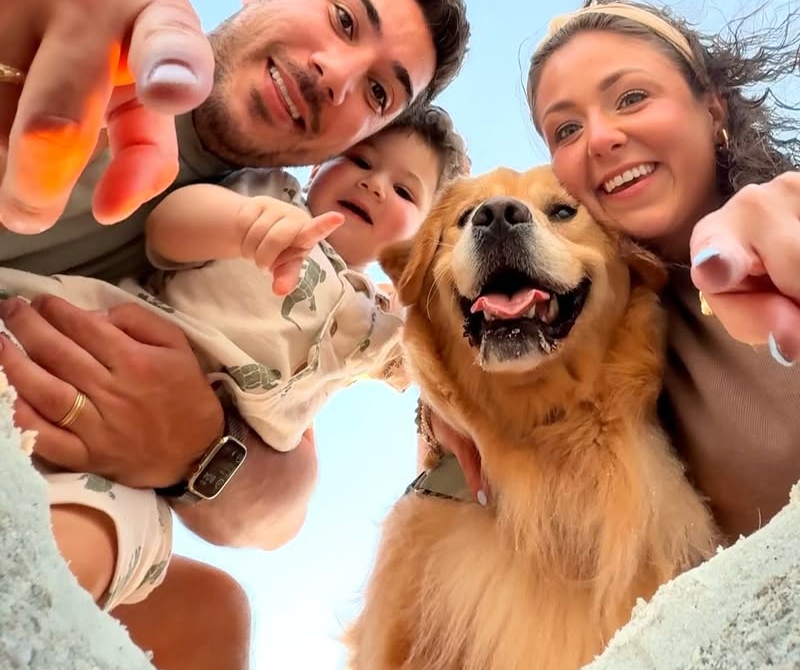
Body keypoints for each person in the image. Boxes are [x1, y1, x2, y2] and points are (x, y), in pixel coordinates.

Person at [0, 0, 470, 670]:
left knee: (207, 624)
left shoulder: (272, 252)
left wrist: (199, 447)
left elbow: (281, 496)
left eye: (376, 94)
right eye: (342, 20)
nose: (338, 74)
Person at [434, 0, 800, 546]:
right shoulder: (616, 334)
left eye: (631, 97)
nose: (600, 138)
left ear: (712, 108)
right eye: (566, 130)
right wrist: (439, 409)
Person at [2, 101, 468, 612]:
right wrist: (243, 225)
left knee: (124, 533)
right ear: (318, 167)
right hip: (96, 334)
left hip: (135, 475)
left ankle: (25, 621)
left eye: (405, 191)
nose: (376, 184)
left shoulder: (380, 322)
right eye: (360, 160)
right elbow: (168, 229)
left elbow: (446, 360)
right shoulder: (270, 197)